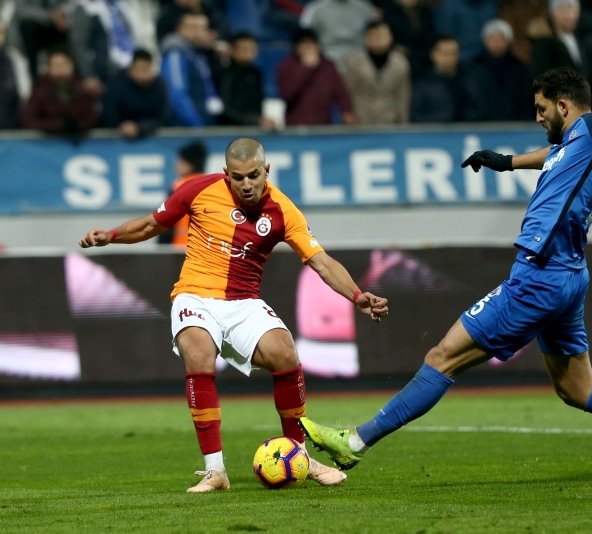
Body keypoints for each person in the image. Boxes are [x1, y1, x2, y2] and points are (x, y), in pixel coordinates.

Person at [299, 67, 592, 482]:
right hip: (567, 277)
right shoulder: (575, 142)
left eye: (541, 108)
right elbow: (549, 159)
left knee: (442, 356)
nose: (537, 116)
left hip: (539, 277)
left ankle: (355, 443)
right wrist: (506, 162)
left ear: (564, 105)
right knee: (578, 388)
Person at [78, 137, 390, 492]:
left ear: (266, 170)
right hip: (194, 295)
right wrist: (111, 236)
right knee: (199, 354)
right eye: (238, 177)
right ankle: (215, 471)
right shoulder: (199, 189)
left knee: (285, 353)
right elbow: (152, 225)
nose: (246, 184)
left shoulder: (284, 211)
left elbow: (320, 261)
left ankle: (299, 455)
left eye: (253, 175)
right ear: (226, 174)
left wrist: (356, 295)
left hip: (243, 302)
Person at [276, 27, 355, 126]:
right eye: (305, 46)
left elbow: (341, 92)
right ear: (296, 47)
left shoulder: (328, 65)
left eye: (312, 45)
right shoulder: (286, 66)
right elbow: (287, 94)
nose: (309, 49)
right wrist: (306, 68)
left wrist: (346, 111)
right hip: (296, 128)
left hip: (324, 126)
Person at [342, 20, 411, 125]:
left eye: (382, 35)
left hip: (390, 120)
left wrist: (404, 122)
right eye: (373, 35)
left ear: (390, 37)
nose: (378, 39)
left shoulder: (401, 63)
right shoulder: (353, 62)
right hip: (360, 120)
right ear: (366, 38)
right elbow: (347, 92)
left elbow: (403, 96)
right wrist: (349, 116)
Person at [21, 47, 100, 137]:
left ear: (72, 66)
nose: (60, 69)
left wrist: (79, 126)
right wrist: (59, 126)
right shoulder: (39, 91)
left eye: (64, 64)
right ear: (48, 68)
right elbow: (29, 120)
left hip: (80, 144)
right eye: (56, 65)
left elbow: (93, 117)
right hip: (48, 145)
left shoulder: (82, 89)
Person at [102, 48, 169, 138]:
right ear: (131, 69)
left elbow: (163, 117)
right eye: (140, 69)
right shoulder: (116, 85)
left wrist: (140, 128)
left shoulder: (159, 86)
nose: (143, 74)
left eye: (147, 69)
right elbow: (109, 115)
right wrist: (122, 126)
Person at [157, 140, 208, 247]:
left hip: (179, 250)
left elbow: (166, 221)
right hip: (204, 252)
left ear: (188, 164)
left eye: (180, 161)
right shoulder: (210, 186)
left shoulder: (177, 187)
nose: (176, 165)